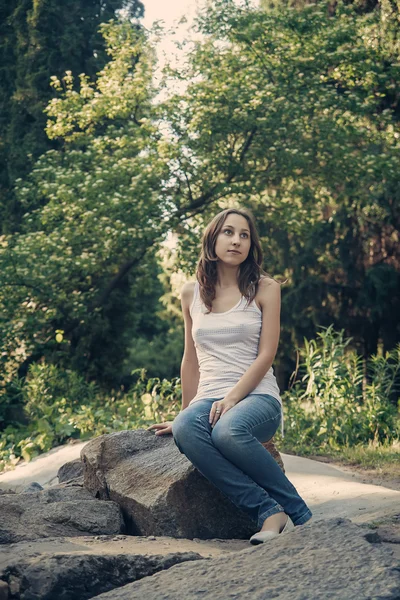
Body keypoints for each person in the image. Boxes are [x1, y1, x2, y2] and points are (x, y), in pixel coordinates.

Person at [147, 207, 312, 544]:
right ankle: (268, 511)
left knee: (227, 432)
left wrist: (233, 397)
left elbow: (267, 354)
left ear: (252, 245)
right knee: (185, 429)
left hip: (257, 398)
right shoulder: (190, 292)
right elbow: (190, 357)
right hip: (209, 396)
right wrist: (184, 415)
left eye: (244, 235)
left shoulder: (266, 288)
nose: (236, 240)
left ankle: (301, 514)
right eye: (228, 232)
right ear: (213, 238)